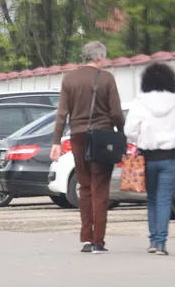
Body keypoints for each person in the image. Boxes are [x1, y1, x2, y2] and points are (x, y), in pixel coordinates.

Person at [51, 41, 126, 253]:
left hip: (78, 137)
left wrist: (56, 141)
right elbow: (116, 113)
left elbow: (62, 113)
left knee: (84, 187)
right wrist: (121, 132)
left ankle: (86, 238)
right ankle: (98, 242)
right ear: (100, 57)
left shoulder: (69, 79)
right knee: (100, 188)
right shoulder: (107, 78)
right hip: (102, 138)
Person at [124, 62, 175, 256]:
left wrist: (141, 138)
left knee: (152, 198)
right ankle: (161, 243)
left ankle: (153, 241)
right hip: (170, 157)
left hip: (148, 157)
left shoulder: (140, 102)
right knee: (164, 200)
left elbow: (129, 130)